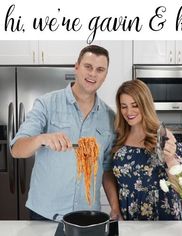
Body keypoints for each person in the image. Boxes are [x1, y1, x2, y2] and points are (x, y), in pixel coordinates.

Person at [11, 45, 121, 220]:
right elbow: (17, 149)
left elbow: (106, 169)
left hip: (88, 214)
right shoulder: (47, 104)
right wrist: (42, 138)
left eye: (100, 70)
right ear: (76, 67)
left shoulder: (109, 117)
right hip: (46, 213)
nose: (93, 74)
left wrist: (115, 207)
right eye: (88, 67)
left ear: (105, 75)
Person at [112, 79, 182, 220]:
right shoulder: (119, 137)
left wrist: (170, 160)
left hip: (161, 217)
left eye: (135, 105)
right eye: (124, 106)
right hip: (128, 216)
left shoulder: (163, 136)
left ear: (145, 105)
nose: (129, 112)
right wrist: (115, 208)